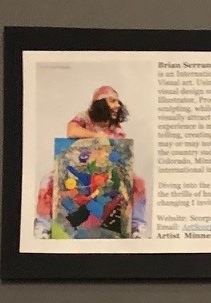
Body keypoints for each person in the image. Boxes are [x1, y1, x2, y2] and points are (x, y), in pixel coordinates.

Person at [33, 84, 148, 237]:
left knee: (138, 182)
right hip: (78, 168)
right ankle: (43, 226)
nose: (117, 105)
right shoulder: (85, 117)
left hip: (106, 172)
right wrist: (97, 137)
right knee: (47, 181)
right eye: (112, 101)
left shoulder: (116, 127)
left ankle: (137, 227)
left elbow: (119, 152)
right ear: (100, 103)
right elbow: (71, 130)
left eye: (118, 102)